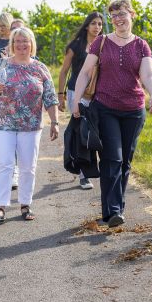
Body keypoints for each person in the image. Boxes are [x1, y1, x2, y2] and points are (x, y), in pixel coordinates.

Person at [71, 0, 152, 228]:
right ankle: (115, 211)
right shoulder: (101, 42)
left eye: (122, 14)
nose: (118, 19)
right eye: (114, 15)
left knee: (125, 162)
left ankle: (111, 211)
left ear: (132, 15)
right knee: (113, 158)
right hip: (106, 108)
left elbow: (148, 75)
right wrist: (76, 101)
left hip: (134, 110)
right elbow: (85, 73)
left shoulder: (141, 45)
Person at [0, 27, 59, 223]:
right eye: (17, 41)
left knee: (28, 166)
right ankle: (0, 207)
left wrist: (55, 122)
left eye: (25, 41)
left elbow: (50, 98)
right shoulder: (1, 65)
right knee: (5, 164)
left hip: (31, 125)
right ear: (12, 44)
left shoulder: (40, 68)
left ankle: (25, 204)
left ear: (31, 44)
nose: (21, 45)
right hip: (3, 122)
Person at [58, 12, 103, 190]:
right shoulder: (76, 46)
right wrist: (60, 95)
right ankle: (84, 175)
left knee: (93, 130)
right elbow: (63, 71)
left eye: (100, 24)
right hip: (75, 93)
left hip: (97, 94)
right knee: (82, 131)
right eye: (93, 23)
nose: (97, 27)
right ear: (86, 26)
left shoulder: (104, 45)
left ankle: (91, 165)